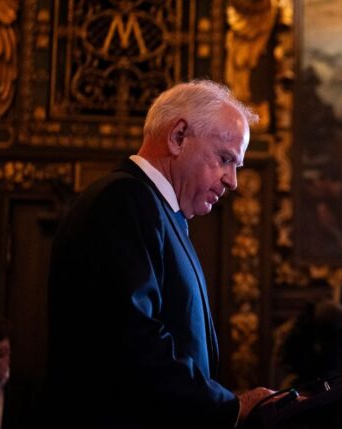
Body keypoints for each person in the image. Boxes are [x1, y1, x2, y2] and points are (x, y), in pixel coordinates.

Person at [47, 80, 274, 428]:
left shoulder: (161, 212)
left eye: (236, 166)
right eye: (225, 159)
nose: (233, 181)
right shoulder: (123, 201)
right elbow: (131, 339)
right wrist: (227, 408)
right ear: (178, 136)